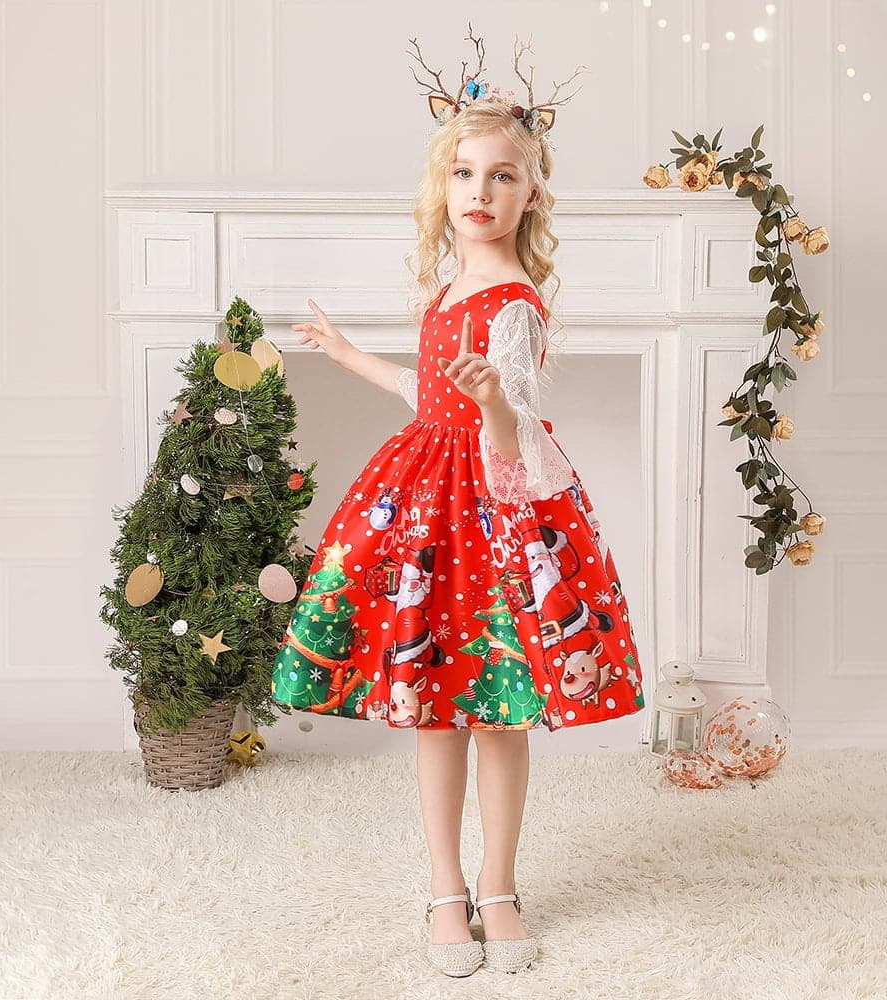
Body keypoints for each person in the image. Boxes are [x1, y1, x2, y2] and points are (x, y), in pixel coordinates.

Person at [270, 23, 646, 978]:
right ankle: (446, 890)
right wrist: (347, 353)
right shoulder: (445, 292)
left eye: (502, 177)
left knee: (499, 709)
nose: (481, 192)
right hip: (424, 506)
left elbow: (511, 449)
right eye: (465, 174)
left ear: (531, 195)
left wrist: (494, 406)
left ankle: (499, 886)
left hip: (496, 518)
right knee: (433, 704)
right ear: (443, 187)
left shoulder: (515, 302)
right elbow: (425, 391)